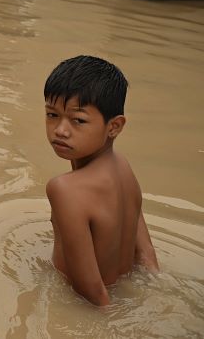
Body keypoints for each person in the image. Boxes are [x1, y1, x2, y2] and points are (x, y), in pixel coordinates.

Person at [43, 55, 159, 306]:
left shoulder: (64, 189)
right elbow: (147, 258)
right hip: (123, 294)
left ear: (114, 127)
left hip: (86, 306)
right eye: (52, 115)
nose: (60, 130)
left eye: (78, 120)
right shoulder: (123, 167)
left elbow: (92, 292)